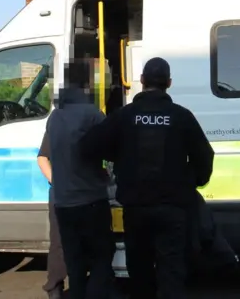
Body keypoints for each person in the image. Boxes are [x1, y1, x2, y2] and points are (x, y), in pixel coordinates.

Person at [85, 57, 215, 299]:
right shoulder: (181, 116)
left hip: (137, 210)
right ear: (169, 83)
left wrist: (117, 156)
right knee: (172, 273)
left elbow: (90, 145)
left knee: (140, 275)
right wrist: (192, 182)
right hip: (173, 209)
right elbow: (205, 155)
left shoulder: (125, 116)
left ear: (142, 81)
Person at [48, 61, 116, 299]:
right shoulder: (93, 115)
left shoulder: (54, 117)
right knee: (101, 258)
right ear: (87, 83)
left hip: (64, 204)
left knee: (75, 263)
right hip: (91, 201)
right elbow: (109, 152)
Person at [37, 130, 68, 299]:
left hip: (61, 194)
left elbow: (42, 159)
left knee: (58, 242)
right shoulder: (93, 118)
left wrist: (56, 183)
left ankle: (55, 287)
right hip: (84, 192)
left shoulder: (56, 121)